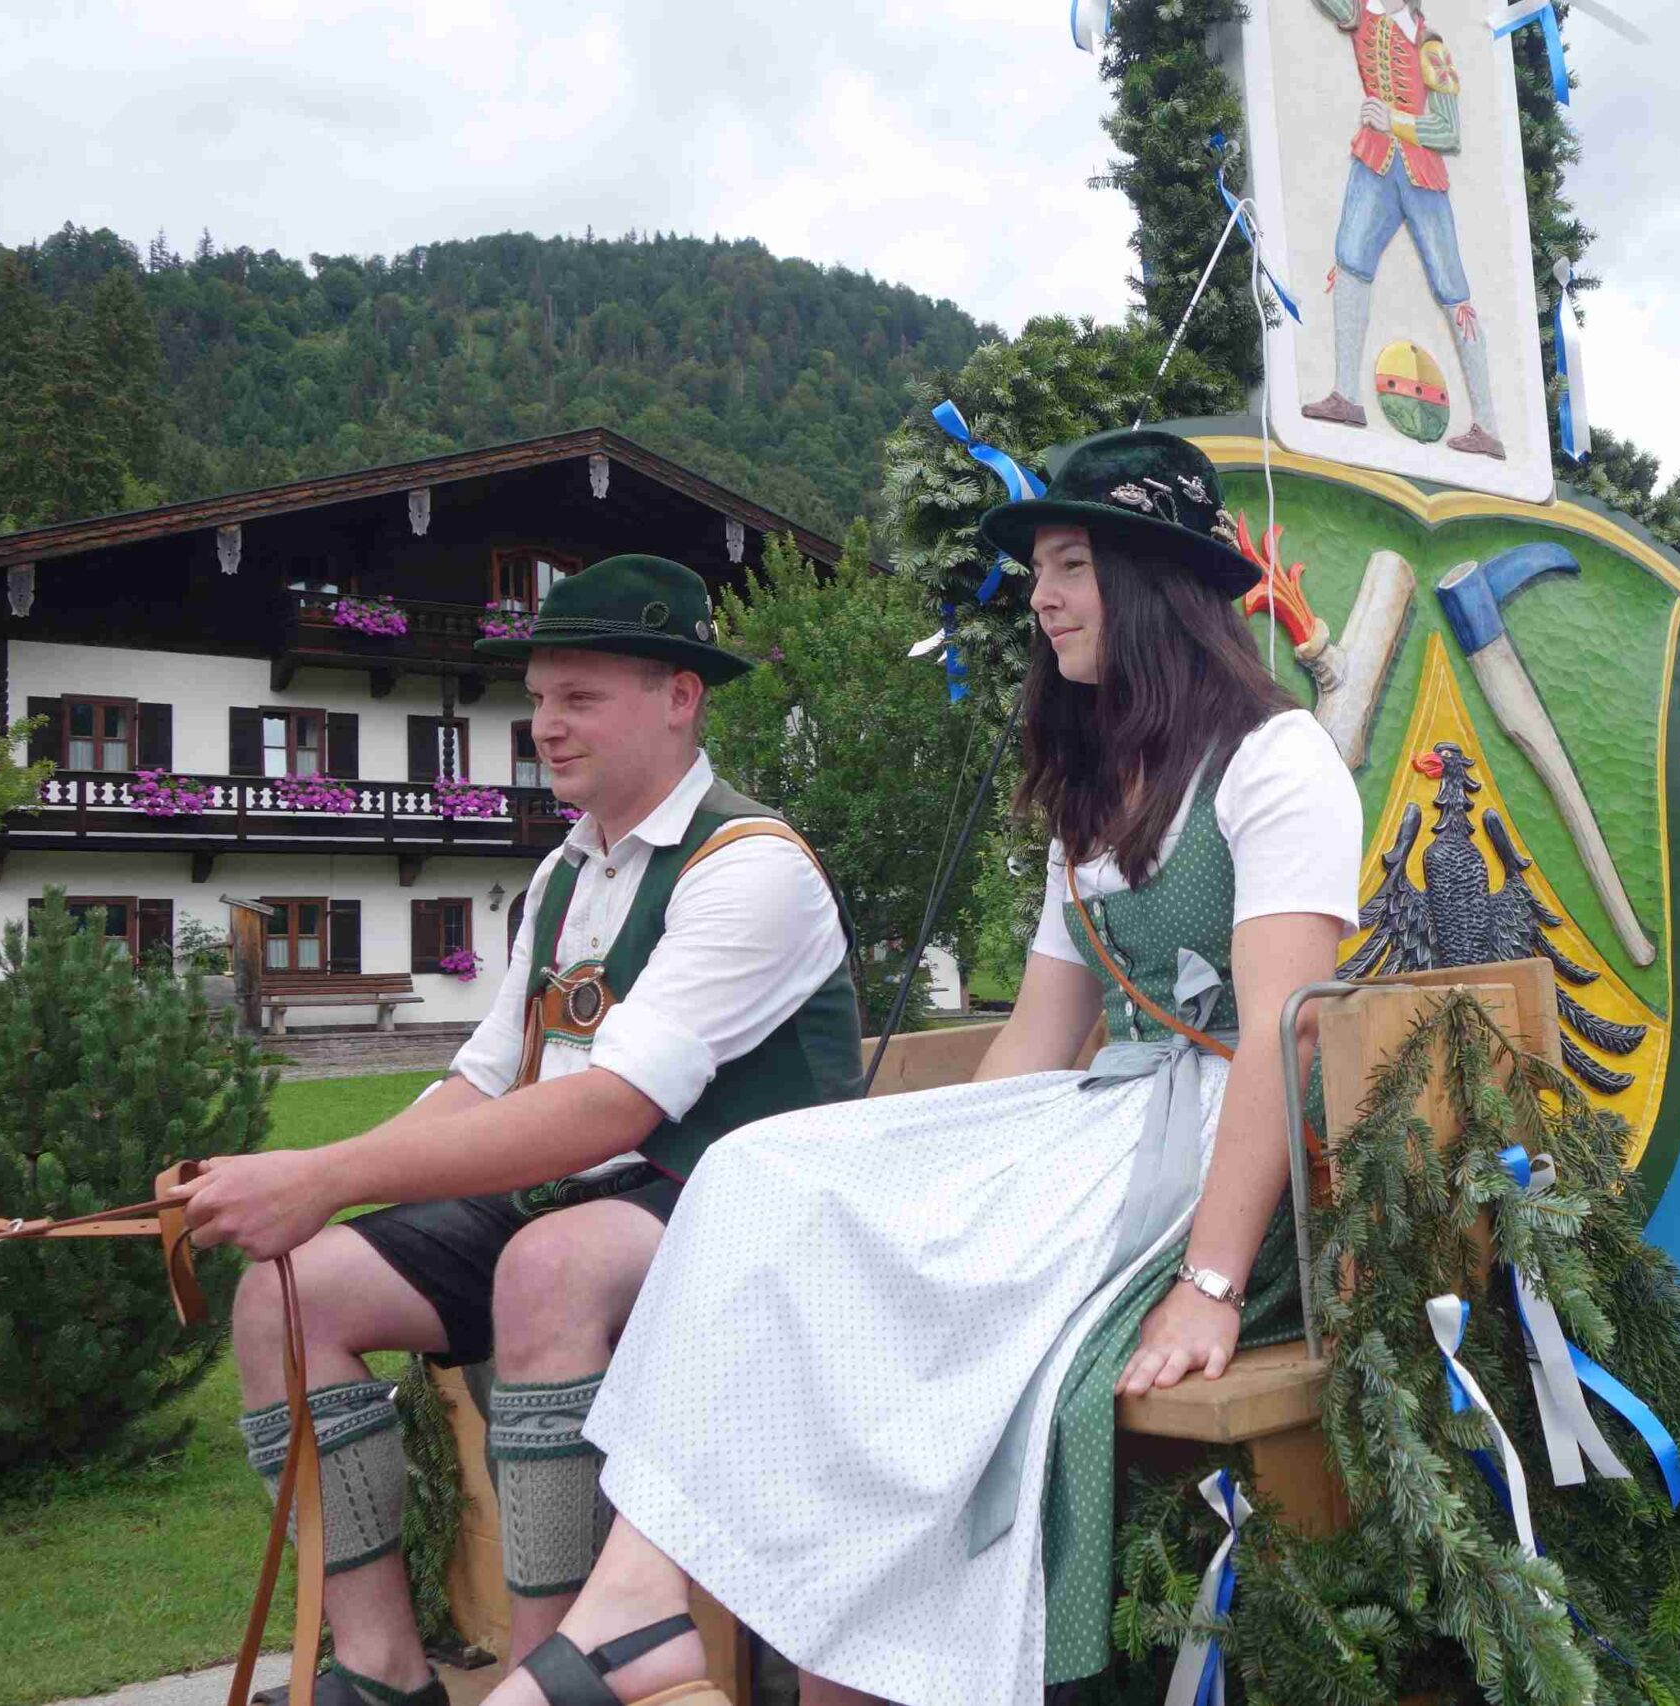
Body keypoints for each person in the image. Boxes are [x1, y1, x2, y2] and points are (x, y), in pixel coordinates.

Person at [483, 430, 1363, 1706]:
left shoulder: (1277, 759)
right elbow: (1035, 1041)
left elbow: (1288, 1029)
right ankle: (641, 1602)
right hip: (1104, 1125)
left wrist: (1211, 1285)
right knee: (761, 1173)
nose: (1042, 596)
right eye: (1040, 568)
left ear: (1160, 584)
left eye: (1071, 564)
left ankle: (679, 1630)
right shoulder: (1098, 787)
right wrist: (925, 1178)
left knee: (871, 1275)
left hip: (1229, 1161)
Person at [171, 555, 862, 1706]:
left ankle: (548, 1668)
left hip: (749, 1204)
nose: (544, 724)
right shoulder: (563, 873)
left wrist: (322, 1170)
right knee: (286, 1296)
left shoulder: (751, 866)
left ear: (680, 695)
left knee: (547, 1265)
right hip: (585, 1197)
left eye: (579, 696)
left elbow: (611, 1105)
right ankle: (383, 1669)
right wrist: (308, 1187)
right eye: (538, 696)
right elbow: (487, 1080)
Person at [1298, 0, 1506, 460]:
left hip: (1421, 174)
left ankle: (1488, 426)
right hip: (1374, 162)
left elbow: (1449, 132)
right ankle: (1346, 395)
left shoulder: (1431, 46)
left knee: (1451, 287)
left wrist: (1393, 121)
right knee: (1350, 259)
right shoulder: (1360, 14)